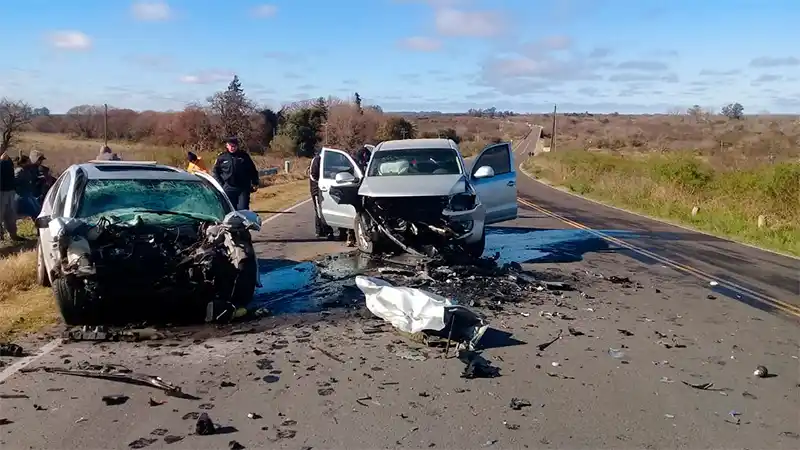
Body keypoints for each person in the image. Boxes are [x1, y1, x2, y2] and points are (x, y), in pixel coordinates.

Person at [212, 137, 259, 210]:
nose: (232, 148)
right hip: (228, 188)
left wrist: (255, 182)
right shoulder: (222, 157)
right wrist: (221, 185)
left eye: (234, 146)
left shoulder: (244, 156)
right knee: (230, 210)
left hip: (242, 188)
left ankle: (243, 221)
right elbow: (215, 172)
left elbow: (252, 170)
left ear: (237, 146)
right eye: (230, 146)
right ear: (227, 146)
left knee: (243, 209)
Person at [308, 150, 334, 239]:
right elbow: (313, 175)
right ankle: (325, 231)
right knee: (319, 210)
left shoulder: (325, 161)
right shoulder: (317, 160)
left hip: (322, 188)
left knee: (322, 209)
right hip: (316, 189)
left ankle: (320, 231)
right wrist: (322, 182)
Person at [14, 153, 41, 219]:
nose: (30, 163)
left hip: (28, 194)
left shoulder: (26, 170)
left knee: (38, 210)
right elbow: (13, 182)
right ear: (24, 163)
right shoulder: (19, 171)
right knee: (34, 212)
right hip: (22, 196)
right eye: (28, 161)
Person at [0, 151, 20, 241]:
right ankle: (1, 236)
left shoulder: (7, 160)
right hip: (1, 191)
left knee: (11, 214)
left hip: (9, 190)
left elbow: (11, 173)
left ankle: (13, 234)